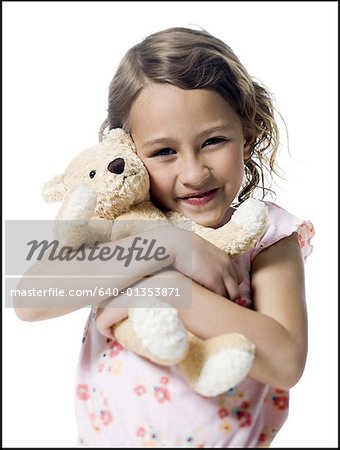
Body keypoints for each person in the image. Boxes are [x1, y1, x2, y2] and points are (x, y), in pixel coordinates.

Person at [15, 27, 315, 447]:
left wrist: (168, 287)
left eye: (213, 141)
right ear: (127, 149)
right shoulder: (119, 229)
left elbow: (285, 362)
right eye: (163, 152)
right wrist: (169, 247)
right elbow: (28, 300)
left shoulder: (266, 236)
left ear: (247, 134)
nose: (193, 173)